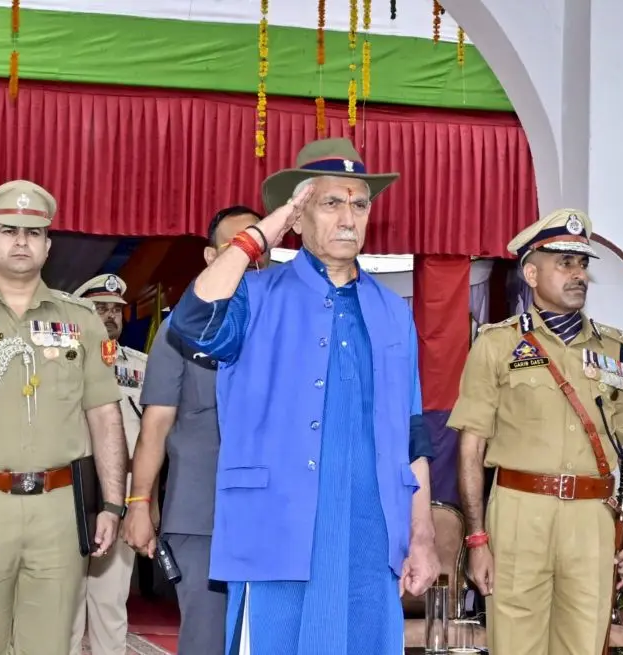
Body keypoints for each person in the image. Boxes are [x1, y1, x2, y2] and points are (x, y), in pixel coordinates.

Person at [169, 137, 440, 655]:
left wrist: (422, 534)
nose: (348, 218)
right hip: (276, 531)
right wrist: (262, 233)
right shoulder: (255, 295)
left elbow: (412, 432)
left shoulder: (392, 311)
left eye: (359, 204)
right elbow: (193, 321)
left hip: (370, 535)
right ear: (298, 215)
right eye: (330, 202)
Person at [0, 180, 128, 655]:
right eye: (8, 230)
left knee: (50, 645)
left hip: (58, 509)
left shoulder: (81, 320)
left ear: (48, 246)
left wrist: (113, 505)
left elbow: (105, 416)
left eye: (33, 233)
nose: (20, 241)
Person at [450, 209, 623, 655]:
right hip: (520, 512)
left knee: (584, 644)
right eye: (564, 263)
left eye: (582, 264)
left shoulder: (615, 349)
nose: (578, 274)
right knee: (515, 645)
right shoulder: (497, 344)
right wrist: (477, 538)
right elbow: (471, 446)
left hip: (592, 516)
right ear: (531, 274)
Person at [124, 205, 270, 655]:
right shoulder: (179, 330)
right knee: (207, 638)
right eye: (237, 246)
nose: (249, 258)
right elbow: (155, 426)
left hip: (274, 515)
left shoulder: (286, 327)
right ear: (211, 257)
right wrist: (139, 503)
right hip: (202, 516)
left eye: (258, 248)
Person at [70, 273, 148, 655]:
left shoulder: (142, 366)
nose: (110, 315)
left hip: (124, 488)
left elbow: (152, 437)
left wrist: (147, 501)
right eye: (100, 307)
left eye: (116, 309)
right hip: (70, 487)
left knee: (111, 599)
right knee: (64, 602)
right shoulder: (60, 360)